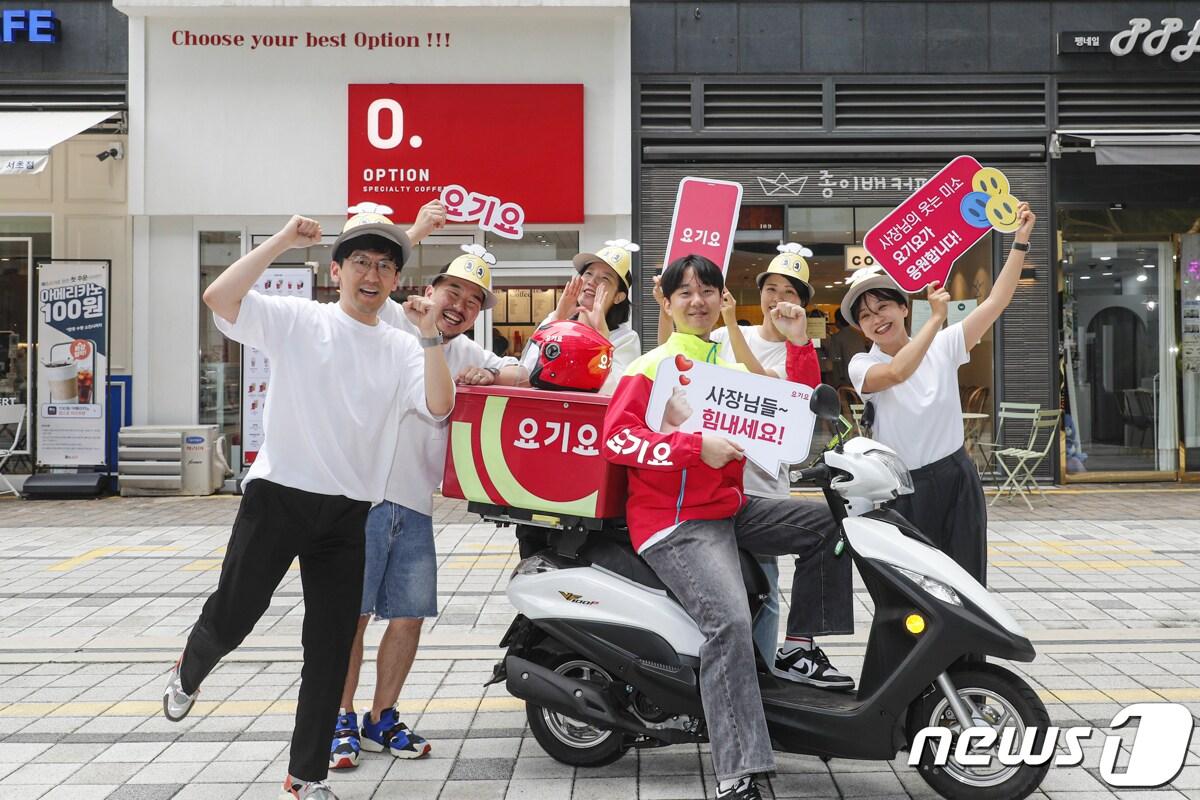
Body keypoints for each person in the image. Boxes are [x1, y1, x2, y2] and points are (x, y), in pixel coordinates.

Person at [163, 210, 455, 800]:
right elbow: (218, 296)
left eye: (385, 266)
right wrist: (281, 240)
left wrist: (429, 338)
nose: (372, 275)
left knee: (327, 646)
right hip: (279, 498)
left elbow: (440, 405)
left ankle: (308, 775)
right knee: (236, 614)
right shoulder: (298, 319)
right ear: (336, 270)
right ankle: (188, 670)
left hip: (350, 515)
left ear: (396, 280)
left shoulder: (402, 346)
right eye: (361, 263)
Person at [601, 254, 852, 800]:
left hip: (730, 509)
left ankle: (800, 647)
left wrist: (798, 344)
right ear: (665, 303)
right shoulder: (647, 368)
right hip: (675, 523)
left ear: (722, 300)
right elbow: (616, 441)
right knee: (730, 624)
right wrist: (694, 446)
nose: (697, 301)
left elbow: (801, 413)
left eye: (707, 291)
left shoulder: (731, 369)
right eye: (684, 293)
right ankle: (738, 772)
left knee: (836, 523)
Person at [330, 240, 527, 770]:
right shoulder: (394, 320)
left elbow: (523, 373)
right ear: (429, 289)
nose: (460, 305)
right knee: (352, 616)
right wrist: (409, 237)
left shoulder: (463, 350)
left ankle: (382, 716)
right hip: (360, 499)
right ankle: (338, 717)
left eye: (474, 301)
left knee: (409, 617)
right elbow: (369, 295)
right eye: (453, 290)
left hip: (415, 503)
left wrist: (494, 374)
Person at [845, 202, 1036, 585]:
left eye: (882, 306)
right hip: (901, 490)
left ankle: (967, 650)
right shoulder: (861, 365)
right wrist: (934, 318)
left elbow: (997, 302)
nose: (876, 319)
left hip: (956, 477)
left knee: (966, 583)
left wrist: (1020, 242)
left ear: (902, 307)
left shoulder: (945, 344)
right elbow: (898, 371)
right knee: (914, 589)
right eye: (865, 316)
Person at [703, 244, 852, 688]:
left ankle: (766, 676)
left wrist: (798, 338)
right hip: (711, 486)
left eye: (789, 290)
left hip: (763, 488)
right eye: (771, 288)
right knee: (723, 592)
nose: (778, 297)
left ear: (803, 302)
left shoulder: (800, 351)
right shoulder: (726, 336)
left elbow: (785, 396)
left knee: (764, 590)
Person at [542, 239, 641, 394]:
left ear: (618, 297)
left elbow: (616, 389)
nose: (592, 281)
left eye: (605, 278)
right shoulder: (558, 324)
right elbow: (528, 369)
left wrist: (602, 339)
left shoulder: (626, 338)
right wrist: (557, 319)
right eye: (588, 273)